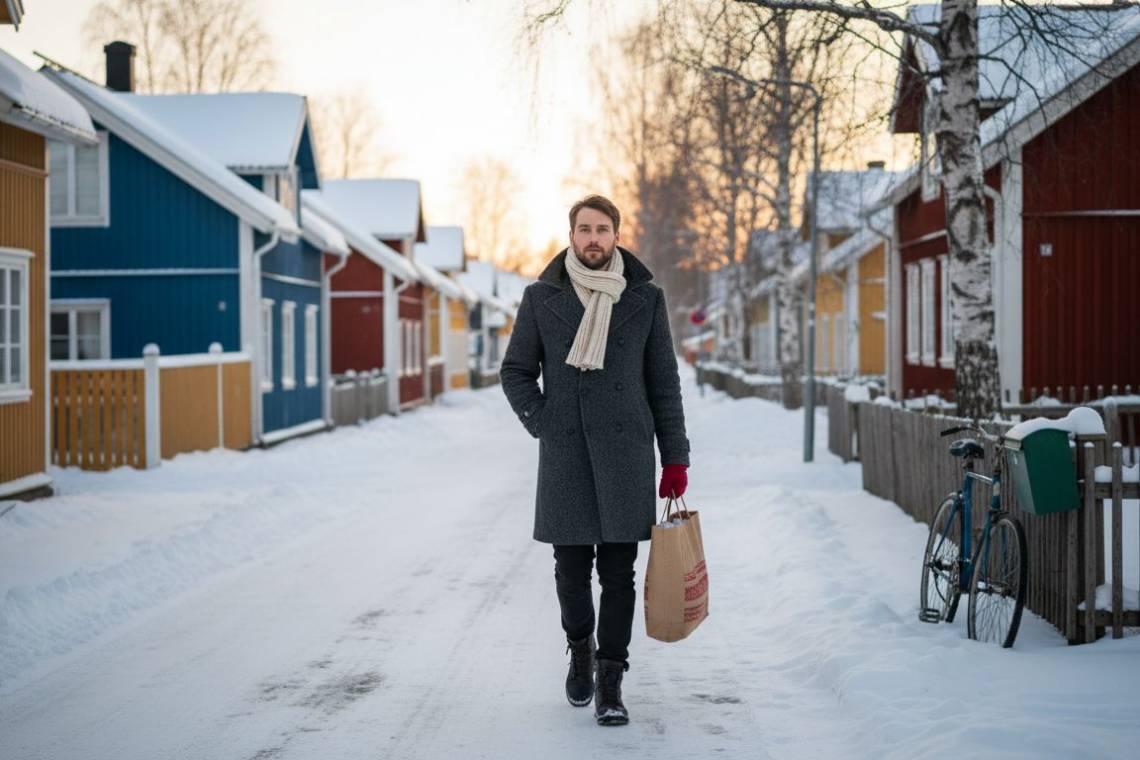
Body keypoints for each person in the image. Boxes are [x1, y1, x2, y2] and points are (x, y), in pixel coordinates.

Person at [500, 194, 690, 727]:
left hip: (626, 452)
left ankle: (611, 678)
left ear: (616, 235)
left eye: (602, 229)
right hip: (565, 453)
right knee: (570, 570)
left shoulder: (645, 298)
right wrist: (543, 420)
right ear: (571, 235)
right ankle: (579, 646)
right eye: (584, 229)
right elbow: (515, 370)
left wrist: (674, 457)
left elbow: (664, 384)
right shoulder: (541, 297)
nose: (592, 238)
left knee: (619, 573)